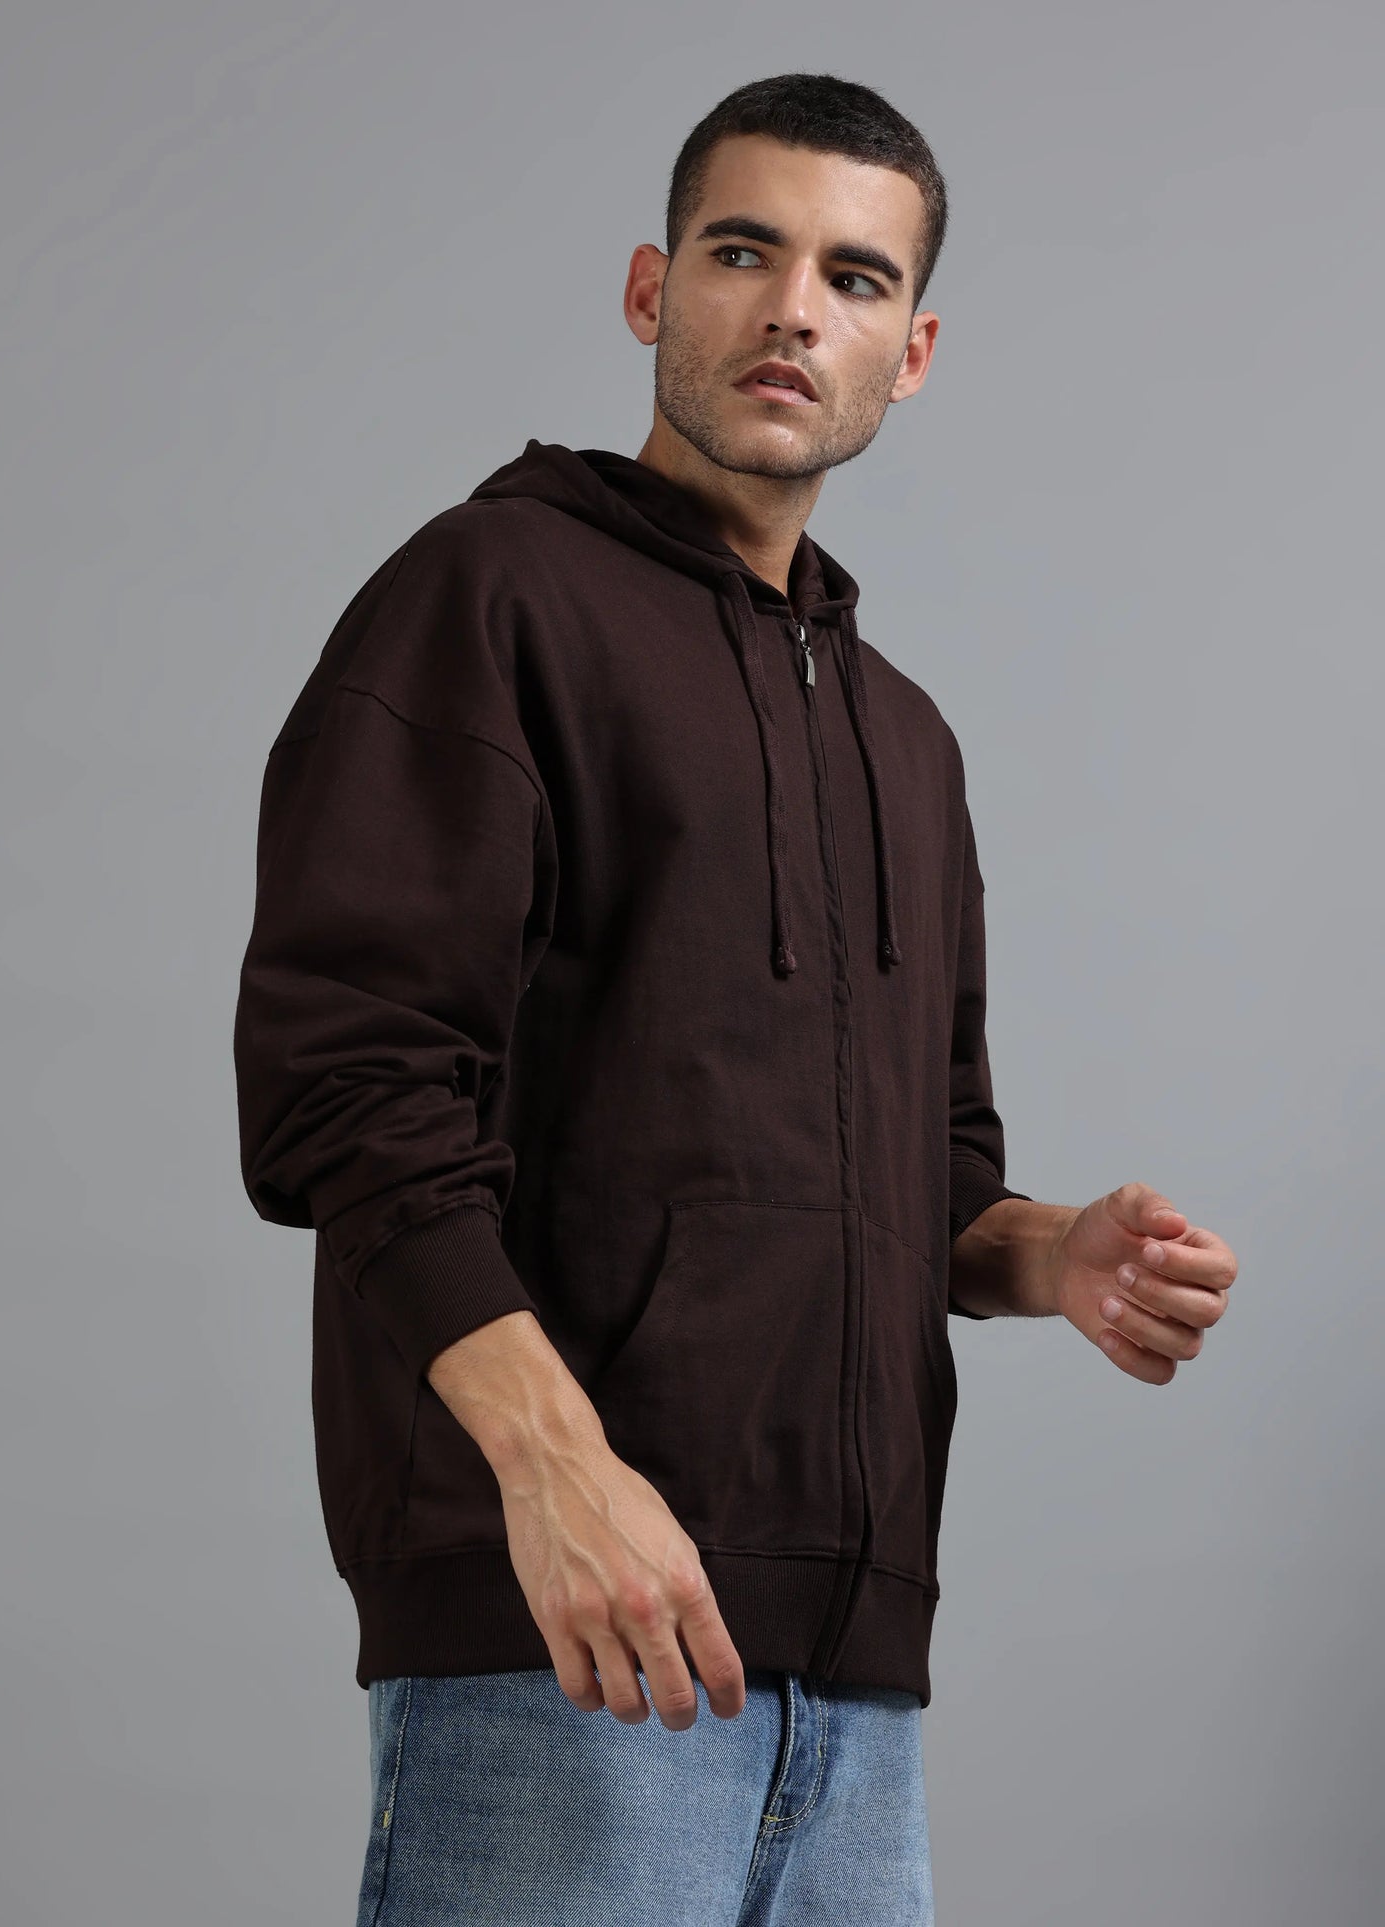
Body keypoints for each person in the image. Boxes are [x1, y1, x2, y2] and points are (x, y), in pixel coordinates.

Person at [233, 70, 1238, 1927]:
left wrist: (1051, 1255)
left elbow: (929, 1180)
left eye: (854, 278)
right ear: (651, 289)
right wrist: (560, 1475)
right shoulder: (486, 598)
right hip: (564, 1643)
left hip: (854, 1696)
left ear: (908, 352)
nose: (792, 308)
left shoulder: (905, 741)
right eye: (741, 251)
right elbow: (345, 1084)